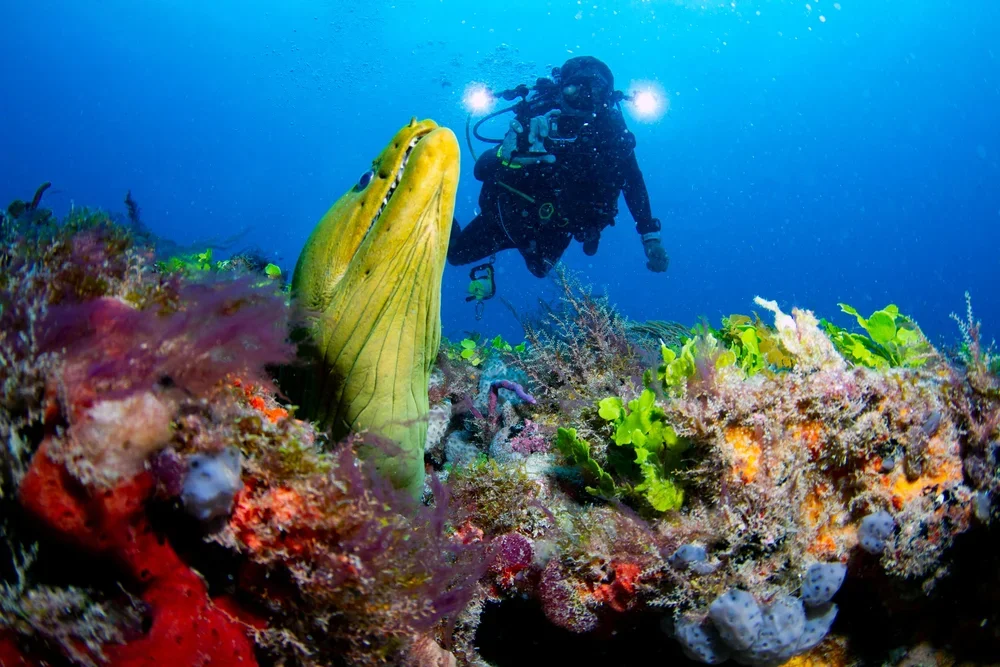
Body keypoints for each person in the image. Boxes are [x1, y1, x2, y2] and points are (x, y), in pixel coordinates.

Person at [448, 56, 668, 279]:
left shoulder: (611, 132)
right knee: (455, 254)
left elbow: (632, 181)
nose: (585, 98)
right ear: (562, 88)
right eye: (576, 89)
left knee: (539, 269)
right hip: (508, 213)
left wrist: (651, 237)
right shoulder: (536, 116)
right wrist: (505, 155)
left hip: (557, 225)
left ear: (606, 96)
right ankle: (432, 207)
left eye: (596, 90)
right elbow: (481, 171)